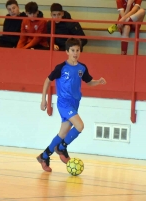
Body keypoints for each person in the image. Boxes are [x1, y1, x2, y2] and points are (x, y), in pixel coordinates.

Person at [36, 38, 107, 172]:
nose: (75, 53)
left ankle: (44, 156)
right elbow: (47, 81)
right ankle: (61, 148)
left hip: (74, 104)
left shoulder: (82, 68)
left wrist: (98, 81)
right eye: (72, 50)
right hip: (64, 103)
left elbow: (89, 81)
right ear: (67, 52)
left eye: (77, 50)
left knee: (62, 134)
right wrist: (43, 99)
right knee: (80, 125)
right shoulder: (61, 67)